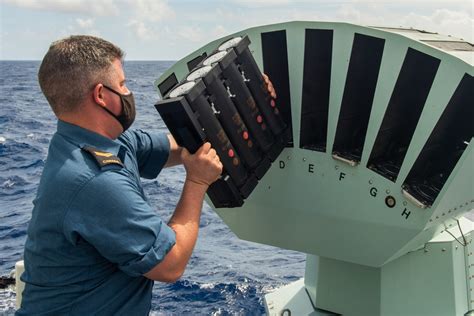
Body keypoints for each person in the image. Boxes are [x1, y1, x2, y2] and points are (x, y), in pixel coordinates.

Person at [17, 35, 276, 315]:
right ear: (101, 95)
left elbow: (181, 146)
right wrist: (197, 182)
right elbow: (171, 264)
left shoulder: (102, 143)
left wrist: (244, 98)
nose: (129, 93)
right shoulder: (94, 180)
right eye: (123, 84)